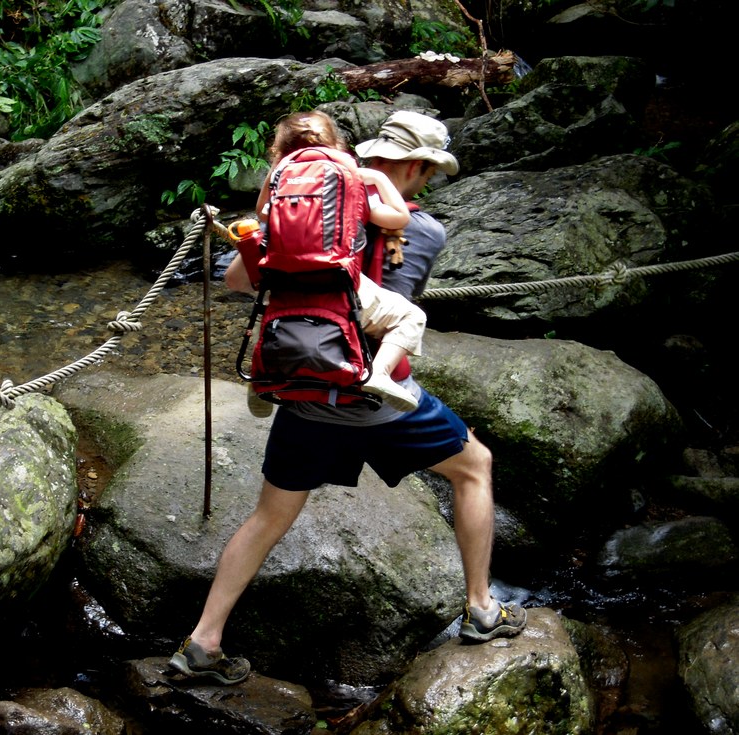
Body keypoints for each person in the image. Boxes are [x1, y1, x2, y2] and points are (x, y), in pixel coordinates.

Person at [169, 110, 526, 686]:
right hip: (371, 396)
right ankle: (482, 607)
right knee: (475, 466)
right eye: (428, 173)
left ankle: (203, 642)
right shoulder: (417, 227)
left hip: (304, 393)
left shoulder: (297, 205)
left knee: (269, 516)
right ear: (418, 167)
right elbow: (383, 318)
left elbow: (238, 281)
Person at [242, 110, 427, 416]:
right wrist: (378, 178)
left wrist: (277, 172)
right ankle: (379, 373)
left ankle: (261, 377)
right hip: (339, 283)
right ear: (337, 145)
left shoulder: (280, 179)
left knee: (275, 313)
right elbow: (399, 217)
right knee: (411, 317)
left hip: (285, 283)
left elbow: (262, 211)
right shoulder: (348, 181)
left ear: (279, 151)